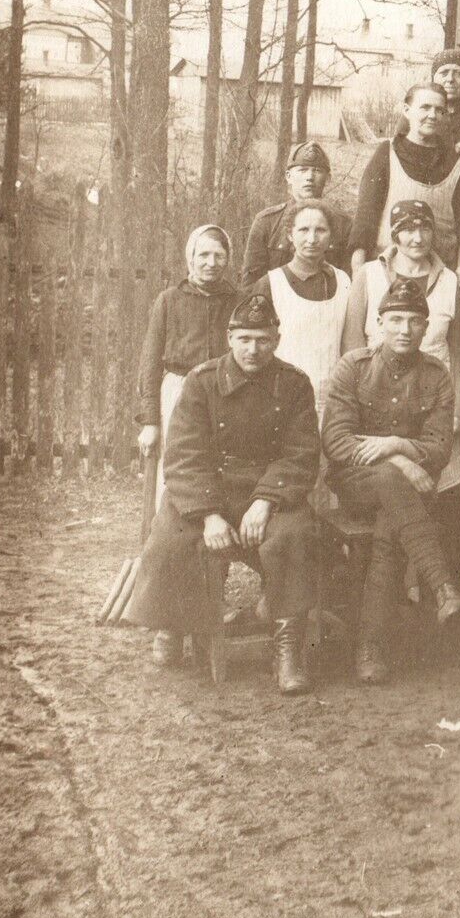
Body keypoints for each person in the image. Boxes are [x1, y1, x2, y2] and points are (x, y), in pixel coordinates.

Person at [122, 294, 322, 696]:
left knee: (293, 537)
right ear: (230, 338)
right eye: (245, 338)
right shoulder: (201, 381)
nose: (253, 349)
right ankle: (173, 624)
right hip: (210, 489)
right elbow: (183, 454)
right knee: (173, 534)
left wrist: (266, 501)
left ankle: (287, 649)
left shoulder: (295, 384)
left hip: (268, 492)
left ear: (277, 339)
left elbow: (301, 453)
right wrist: (209, 514)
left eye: (263, 339)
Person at [322, 277, 460, 686]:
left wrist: (394, 443)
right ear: (380, 323)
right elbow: (335, 441)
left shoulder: (437, 375)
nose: (405, 329)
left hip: (403, 496)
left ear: (426, 328)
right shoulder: (355, 366)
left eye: (414, 321)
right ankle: (442, 587)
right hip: (354, 483)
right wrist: (403, 461)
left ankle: (371, 649)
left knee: (390, 527)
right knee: (389, 477)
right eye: (396, 319)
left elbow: (439, 448)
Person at [342, 199, 460, 495]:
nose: (417, 237)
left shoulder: (449, 280)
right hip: (376, 401)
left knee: (434, 492)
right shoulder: (368, 274)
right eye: (408, 229)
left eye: (425, 228)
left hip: (431, 401)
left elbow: (457, 354)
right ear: (394, 234)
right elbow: (352, 345)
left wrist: (457, 412)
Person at [136, 225, 239, 508]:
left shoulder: (236, 300)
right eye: (203, 254)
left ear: (228, 259)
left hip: (223, 392)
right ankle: (165, 544)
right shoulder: (169, 300)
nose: (211, 263)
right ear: (190, 257)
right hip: (177, 393)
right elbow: (150, 362)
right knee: (174, 467)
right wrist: (150, 422)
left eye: (218, 255)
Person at [349, 84, 460, 281]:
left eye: (440, 110)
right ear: (406, 110)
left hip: (440, 275)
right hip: (388, 273)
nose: (432, 115)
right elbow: (365, 216)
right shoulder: (387, 153)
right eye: (425, 107)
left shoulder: (456, 160)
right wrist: (358, 268)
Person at [246, 202, 350, 420]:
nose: (312, 239)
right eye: (303, 230)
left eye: (320, 230)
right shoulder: (271, 283)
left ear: (331, 236)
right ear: (290, 235)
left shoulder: (343, 281)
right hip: (283, 400)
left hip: (333, 401)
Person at [242, 140, 352, 284]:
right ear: (288, 176)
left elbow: (348, 282)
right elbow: (251, 283)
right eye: (303, 170)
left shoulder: (343, 224)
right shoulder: (266, 222)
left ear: (328, 178)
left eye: (317, 171)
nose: (310, 177)